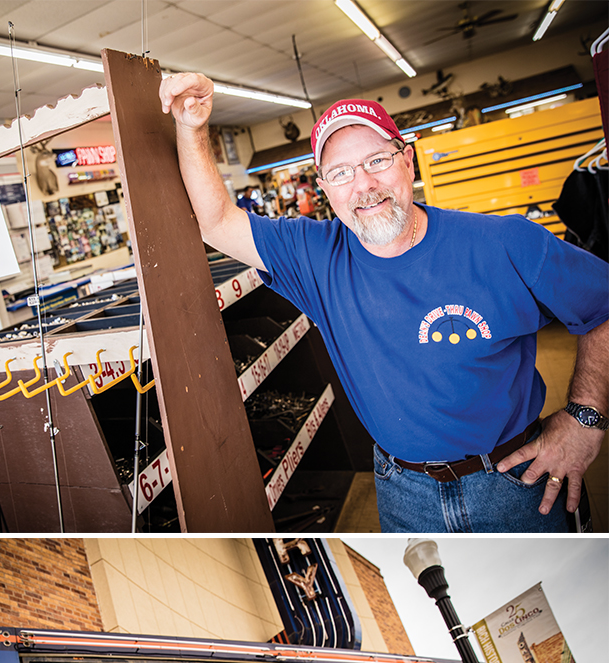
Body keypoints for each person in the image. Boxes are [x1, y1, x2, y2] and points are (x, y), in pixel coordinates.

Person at [159, 73, 609, 533]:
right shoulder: (314, 256)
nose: (364, 184)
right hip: (402, 493)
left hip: (518, 483)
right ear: (324, 188)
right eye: (341, 173)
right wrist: (192, 128)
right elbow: (216, 222)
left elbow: (604, 306)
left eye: (377, 160)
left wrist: (585, 417)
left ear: (408, 161)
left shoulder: (504, 243)